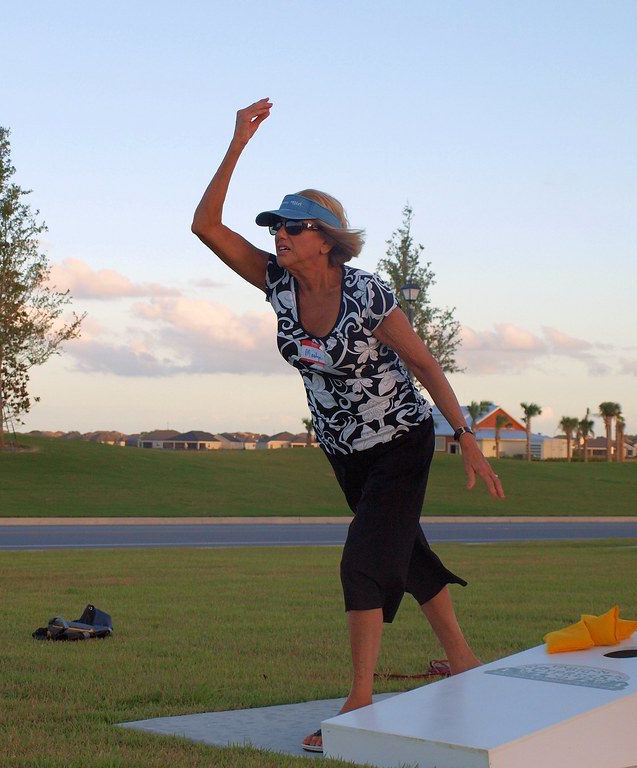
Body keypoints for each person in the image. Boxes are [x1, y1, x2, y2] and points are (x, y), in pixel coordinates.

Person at [192, 98, 505, 754]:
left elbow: (425, 364)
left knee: (365, 560)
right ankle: (464, 657)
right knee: (407, 553)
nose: (282, 234)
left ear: (327, 237)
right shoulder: (276, 282)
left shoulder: (369, 295)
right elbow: (205, 225)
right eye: (278, 225)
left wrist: (467, 437)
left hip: (400, 441)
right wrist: (237, 139)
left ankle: (360, 702)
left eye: (296, 226)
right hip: (344, 451)